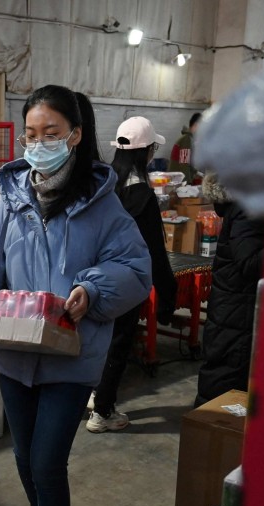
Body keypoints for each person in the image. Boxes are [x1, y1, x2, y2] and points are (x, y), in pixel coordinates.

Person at [0, 85, 151, 506]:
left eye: (50, 134)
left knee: (47, 459)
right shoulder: (14, 193)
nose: (38, 144)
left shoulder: (103, 201)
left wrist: (91, 290)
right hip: (17, 346)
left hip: (70, 352)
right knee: (24, 459)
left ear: (75, 135)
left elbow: (134, 269)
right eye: (31, 135)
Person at [87, 116, 178, 433]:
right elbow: (155, 252)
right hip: (125, 283)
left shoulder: (101, 186)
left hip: (91, 278)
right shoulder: (142, 196)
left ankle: (93, 392)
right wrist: (168, 294)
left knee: (96, 340)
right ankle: (103, 411)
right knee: (118, 343)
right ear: (147, 152)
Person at [194, 173, 264, 406]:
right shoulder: (250, 208)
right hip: (238, 317)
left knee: (222, 394)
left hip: (234, 313)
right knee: (223, 398)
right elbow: (250, 262)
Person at [168, 112, 202, 183]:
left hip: (178, 180)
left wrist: (197, 172)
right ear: (196, 125)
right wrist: (188, 183)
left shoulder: (188, 138)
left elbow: (187, 162)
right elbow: (184, 164)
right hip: (177, 181)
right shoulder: (186, 139)